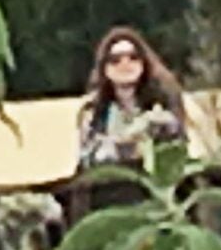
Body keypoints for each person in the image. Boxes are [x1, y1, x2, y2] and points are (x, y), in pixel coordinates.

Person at [74, 25, 187, 171]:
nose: (125, 64)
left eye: (133, 57)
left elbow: (178, 146)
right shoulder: (93, 111)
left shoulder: (163, 101)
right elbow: (87, 158)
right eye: (115, 60)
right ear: (104, 68)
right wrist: (123, 144)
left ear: (143, 63)